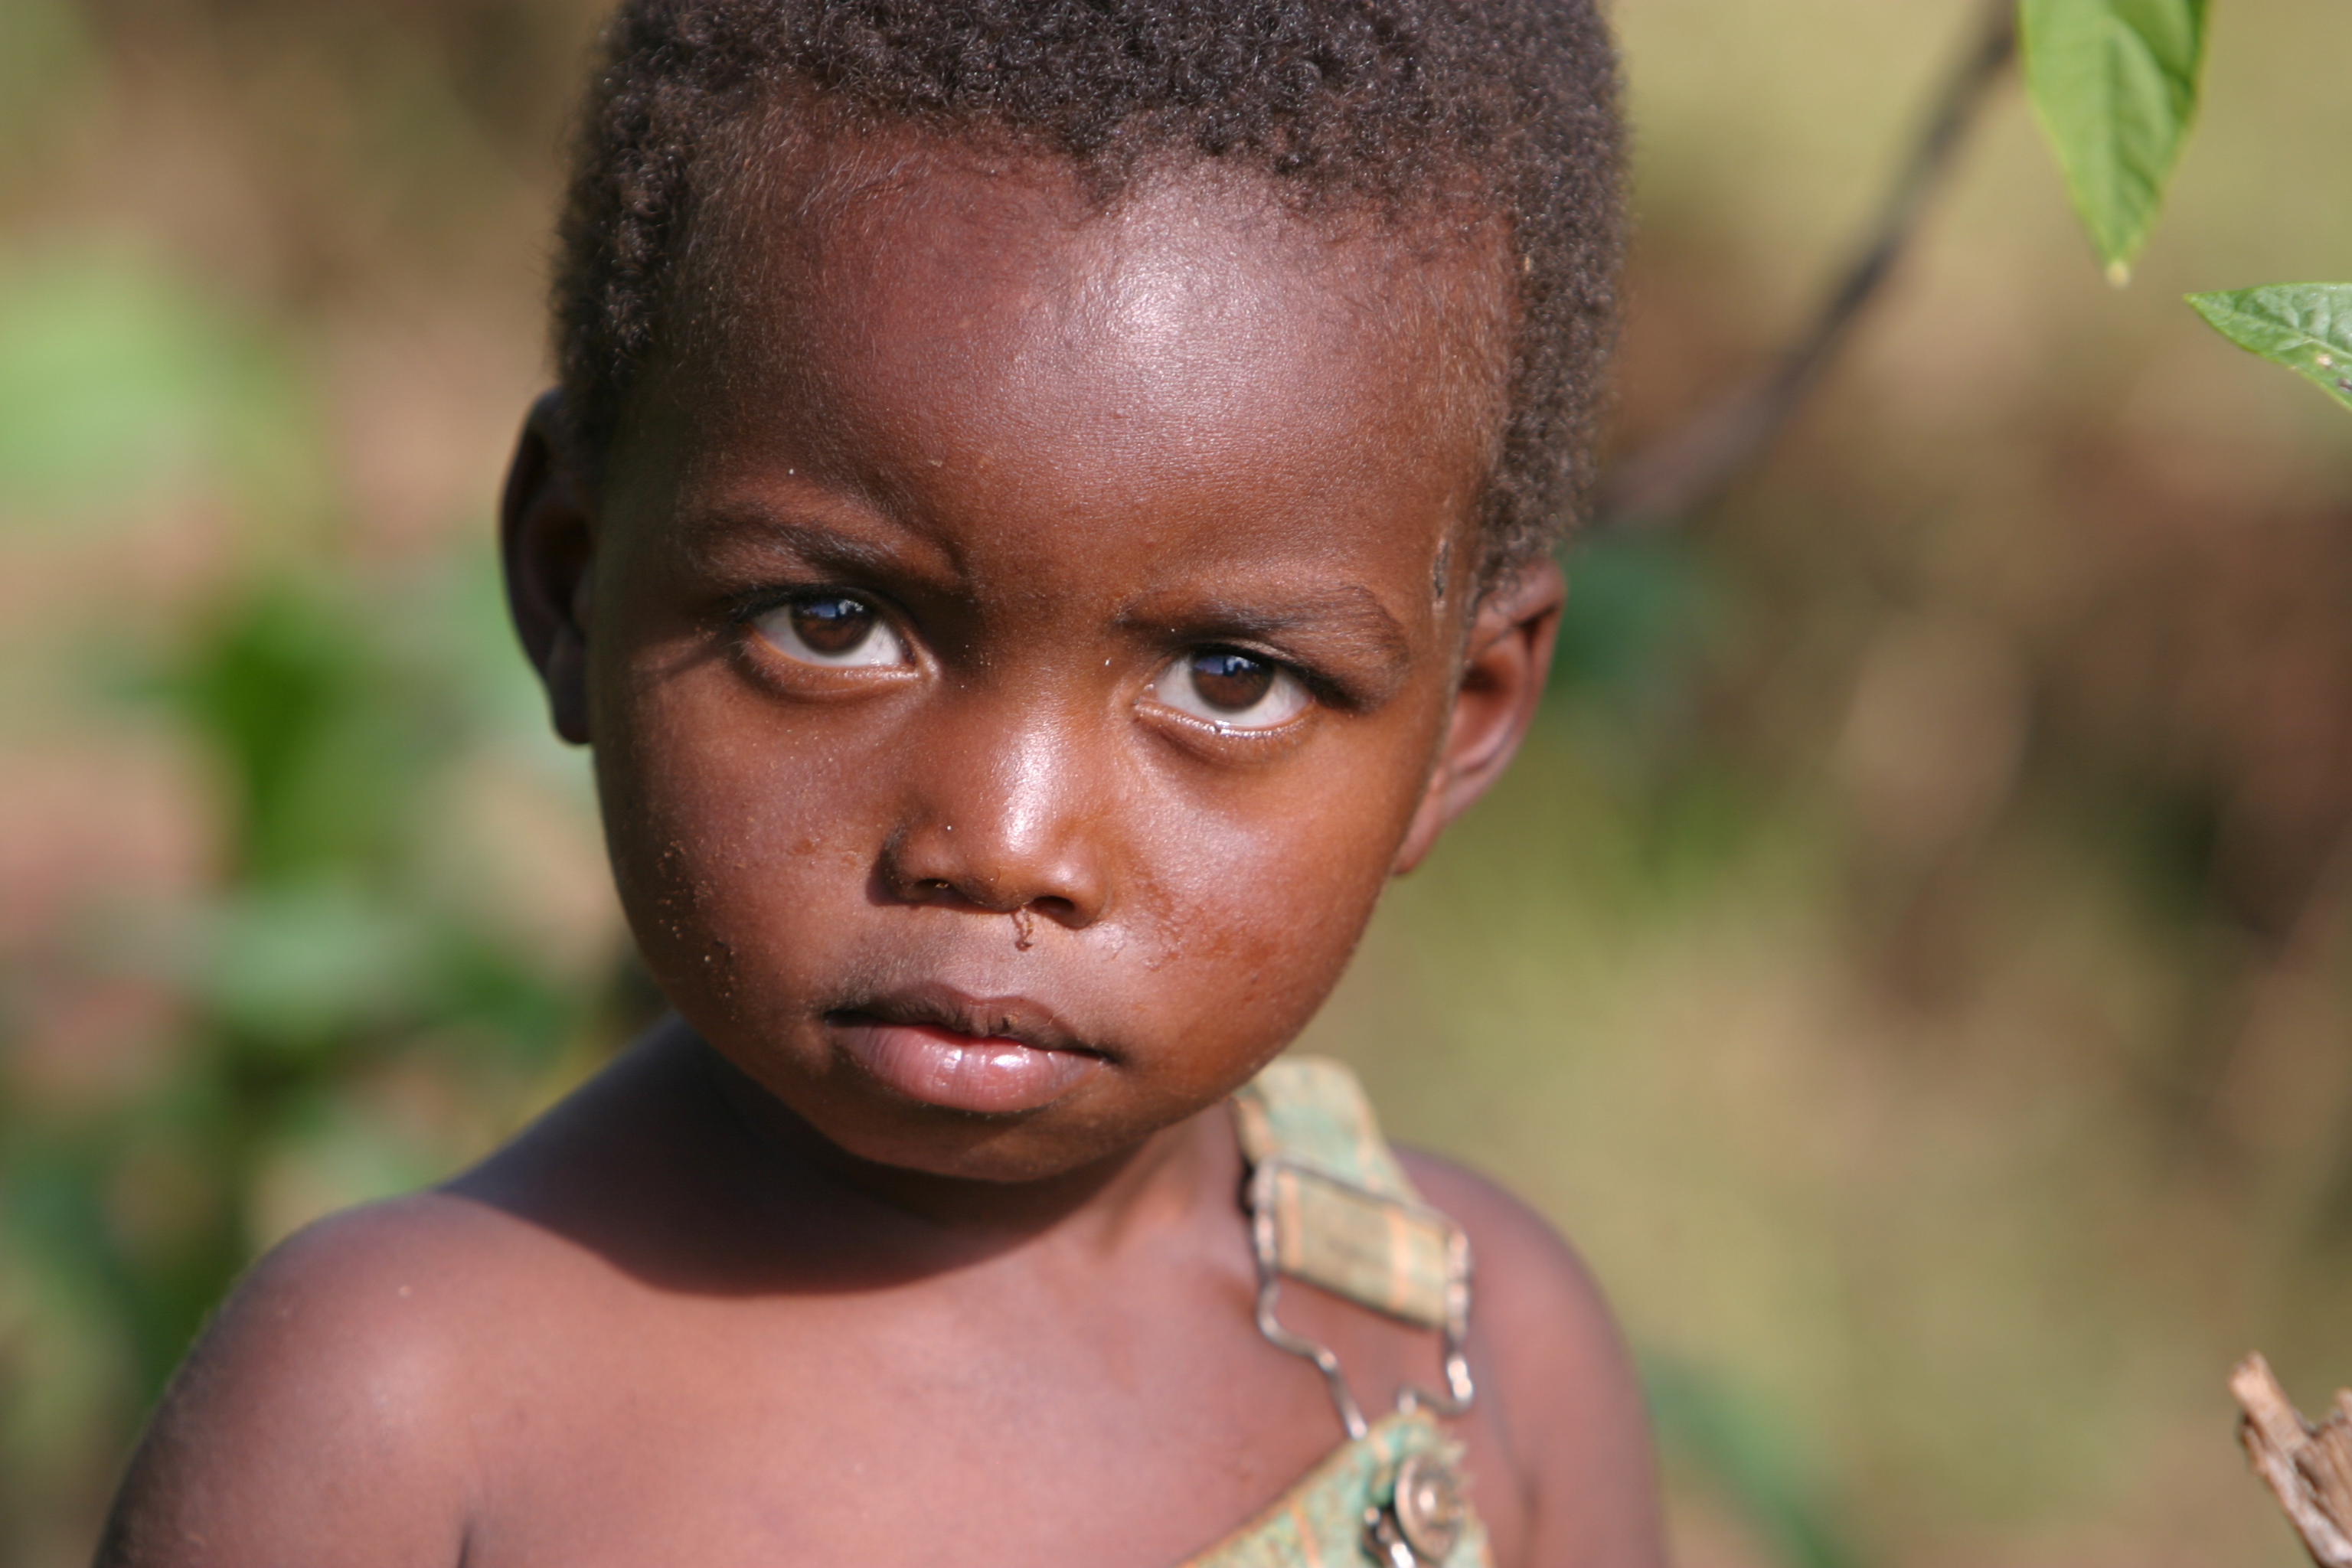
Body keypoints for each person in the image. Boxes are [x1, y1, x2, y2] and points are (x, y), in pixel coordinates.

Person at [95, 0, 1658, 1563]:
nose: (1002, 841)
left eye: (1227, 678)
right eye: (831, 624)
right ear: (573, 583)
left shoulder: (1485, 1353)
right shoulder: (392, 1407)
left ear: (1466, 720)